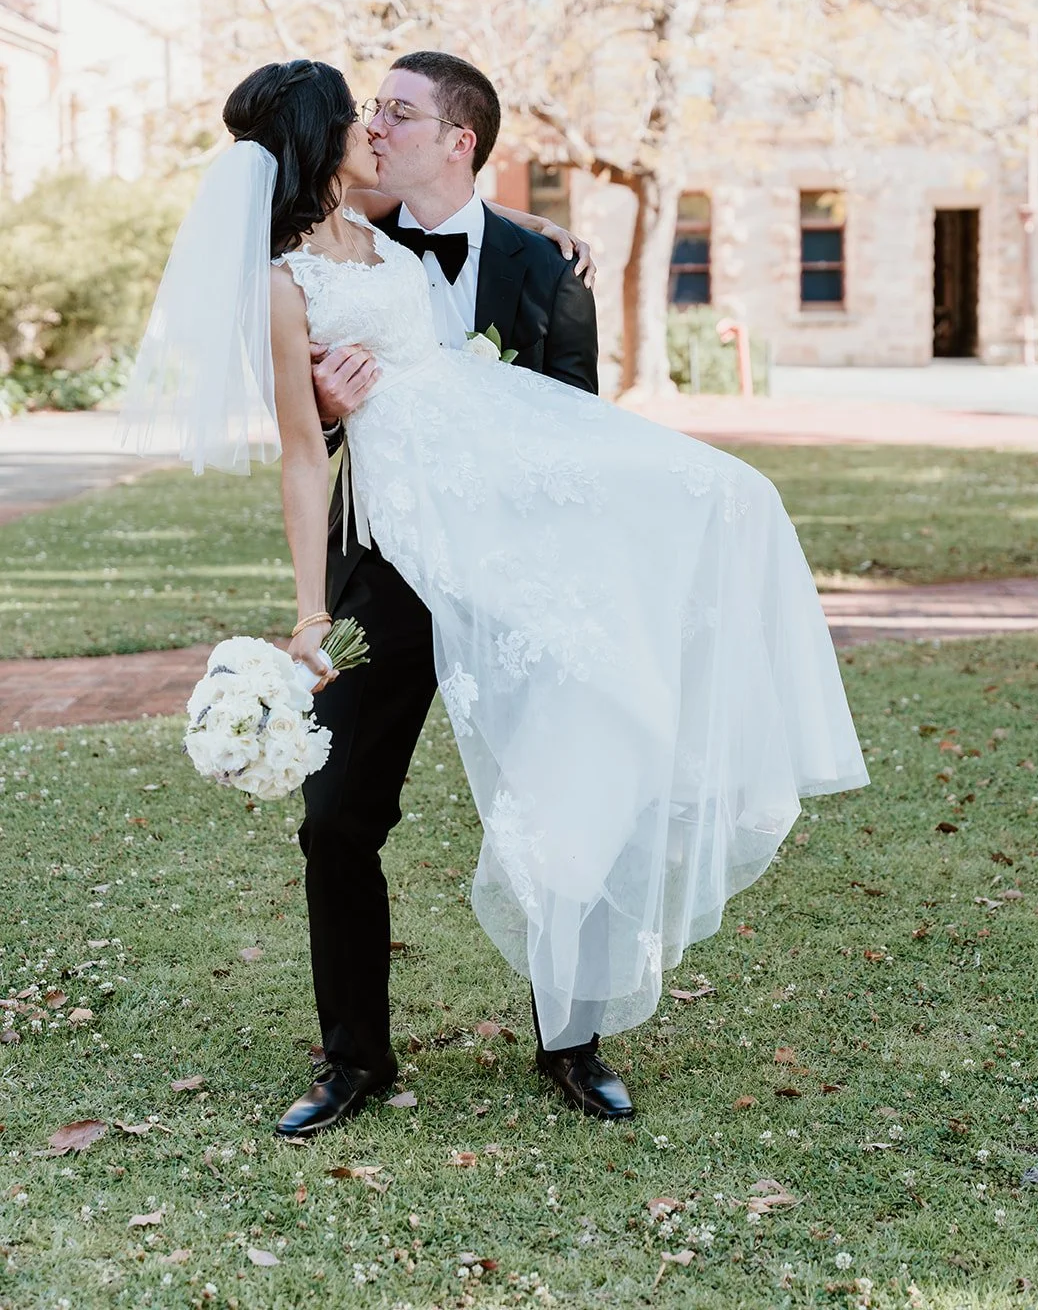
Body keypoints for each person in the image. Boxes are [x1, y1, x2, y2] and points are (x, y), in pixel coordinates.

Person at [122, 55, 868, 1141]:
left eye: (396, 114)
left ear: (454, 140)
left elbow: (556, 398)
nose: (376, 128)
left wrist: (510, 215)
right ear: (322, 142)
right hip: (387, 553)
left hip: (518, 544)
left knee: (583, 757)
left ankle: (572, 1041)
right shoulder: (280, 277)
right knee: (336, 817)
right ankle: (351, 1061)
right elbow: (297, 451)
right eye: (362, 115)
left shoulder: (487, 247)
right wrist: (306, 611)